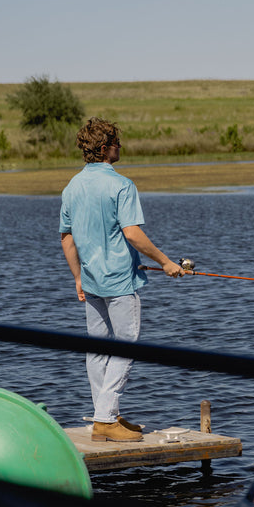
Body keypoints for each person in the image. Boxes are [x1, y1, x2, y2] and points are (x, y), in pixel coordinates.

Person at [59, 117, 184, 442]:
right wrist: (166, 262)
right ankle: (104, 417)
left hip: (90, 280)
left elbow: (66, 239)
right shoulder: (121, 185)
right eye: (116, 142)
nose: (120, 147)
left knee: (97, 348)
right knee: (126, 344)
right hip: (118, 281)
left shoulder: (72, 187)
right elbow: (132, 233)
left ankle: (107, 416)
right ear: (104, 148)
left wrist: (77, 277)